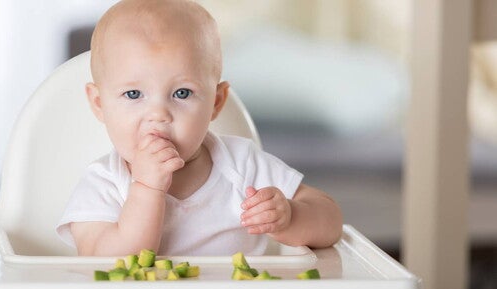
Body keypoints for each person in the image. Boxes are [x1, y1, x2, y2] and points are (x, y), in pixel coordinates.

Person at [56, 0, 342, 256]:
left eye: (182, 93)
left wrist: (290, 218)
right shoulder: (104, 183)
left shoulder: (243, 165)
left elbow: (331, 222)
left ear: (216, 102)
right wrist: (146, 189)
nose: (158, 114)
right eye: (133, 95)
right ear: (99, 103)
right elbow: (104, 262)